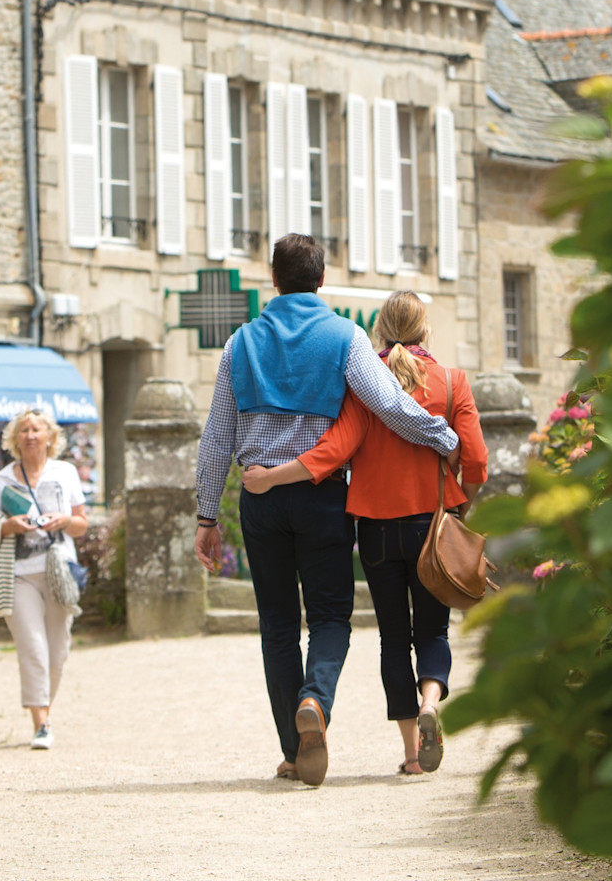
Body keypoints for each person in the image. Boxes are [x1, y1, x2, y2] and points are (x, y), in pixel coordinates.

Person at [193, 234, 459, 786]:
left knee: (278, 628)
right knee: (332, 616)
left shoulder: (239, 343)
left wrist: (206, 516)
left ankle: (295, 751)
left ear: (273, 280)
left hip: (260, 497)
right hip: (323, 495)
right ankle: (315, 699)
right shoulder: (345, 336)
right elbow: (387, 404)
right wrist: (443, 437)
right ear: (321, 280)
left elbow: (217, 436)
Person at [244, 291, 486, 775]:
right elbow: (475, 459)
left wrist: (272, 476)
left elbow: (334, 449)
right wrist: (461, 502)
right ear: (426, 331)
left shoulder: (363, 384)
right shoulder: (452, 381)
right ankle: (431, 705)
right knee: (434, 629)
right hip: (431, 527)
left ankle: (412, 755)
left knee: (393, 638)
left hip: (376, 529)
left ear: (378, 331)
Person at [0, 407, 87, 750]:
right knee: (34, 648)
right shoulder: (2, 481)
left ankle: (45, 710)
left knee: (58, 652)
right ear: (14, 439)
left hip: (59, 570)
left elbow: (82, 523)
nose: (29, 436)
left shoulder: (65, 473)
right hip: (17, 573)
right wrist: (10, 525)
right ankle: (40, 725)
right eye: (23, 430)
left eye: (36, 430)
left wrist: (63, 521)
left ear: (50, 437)